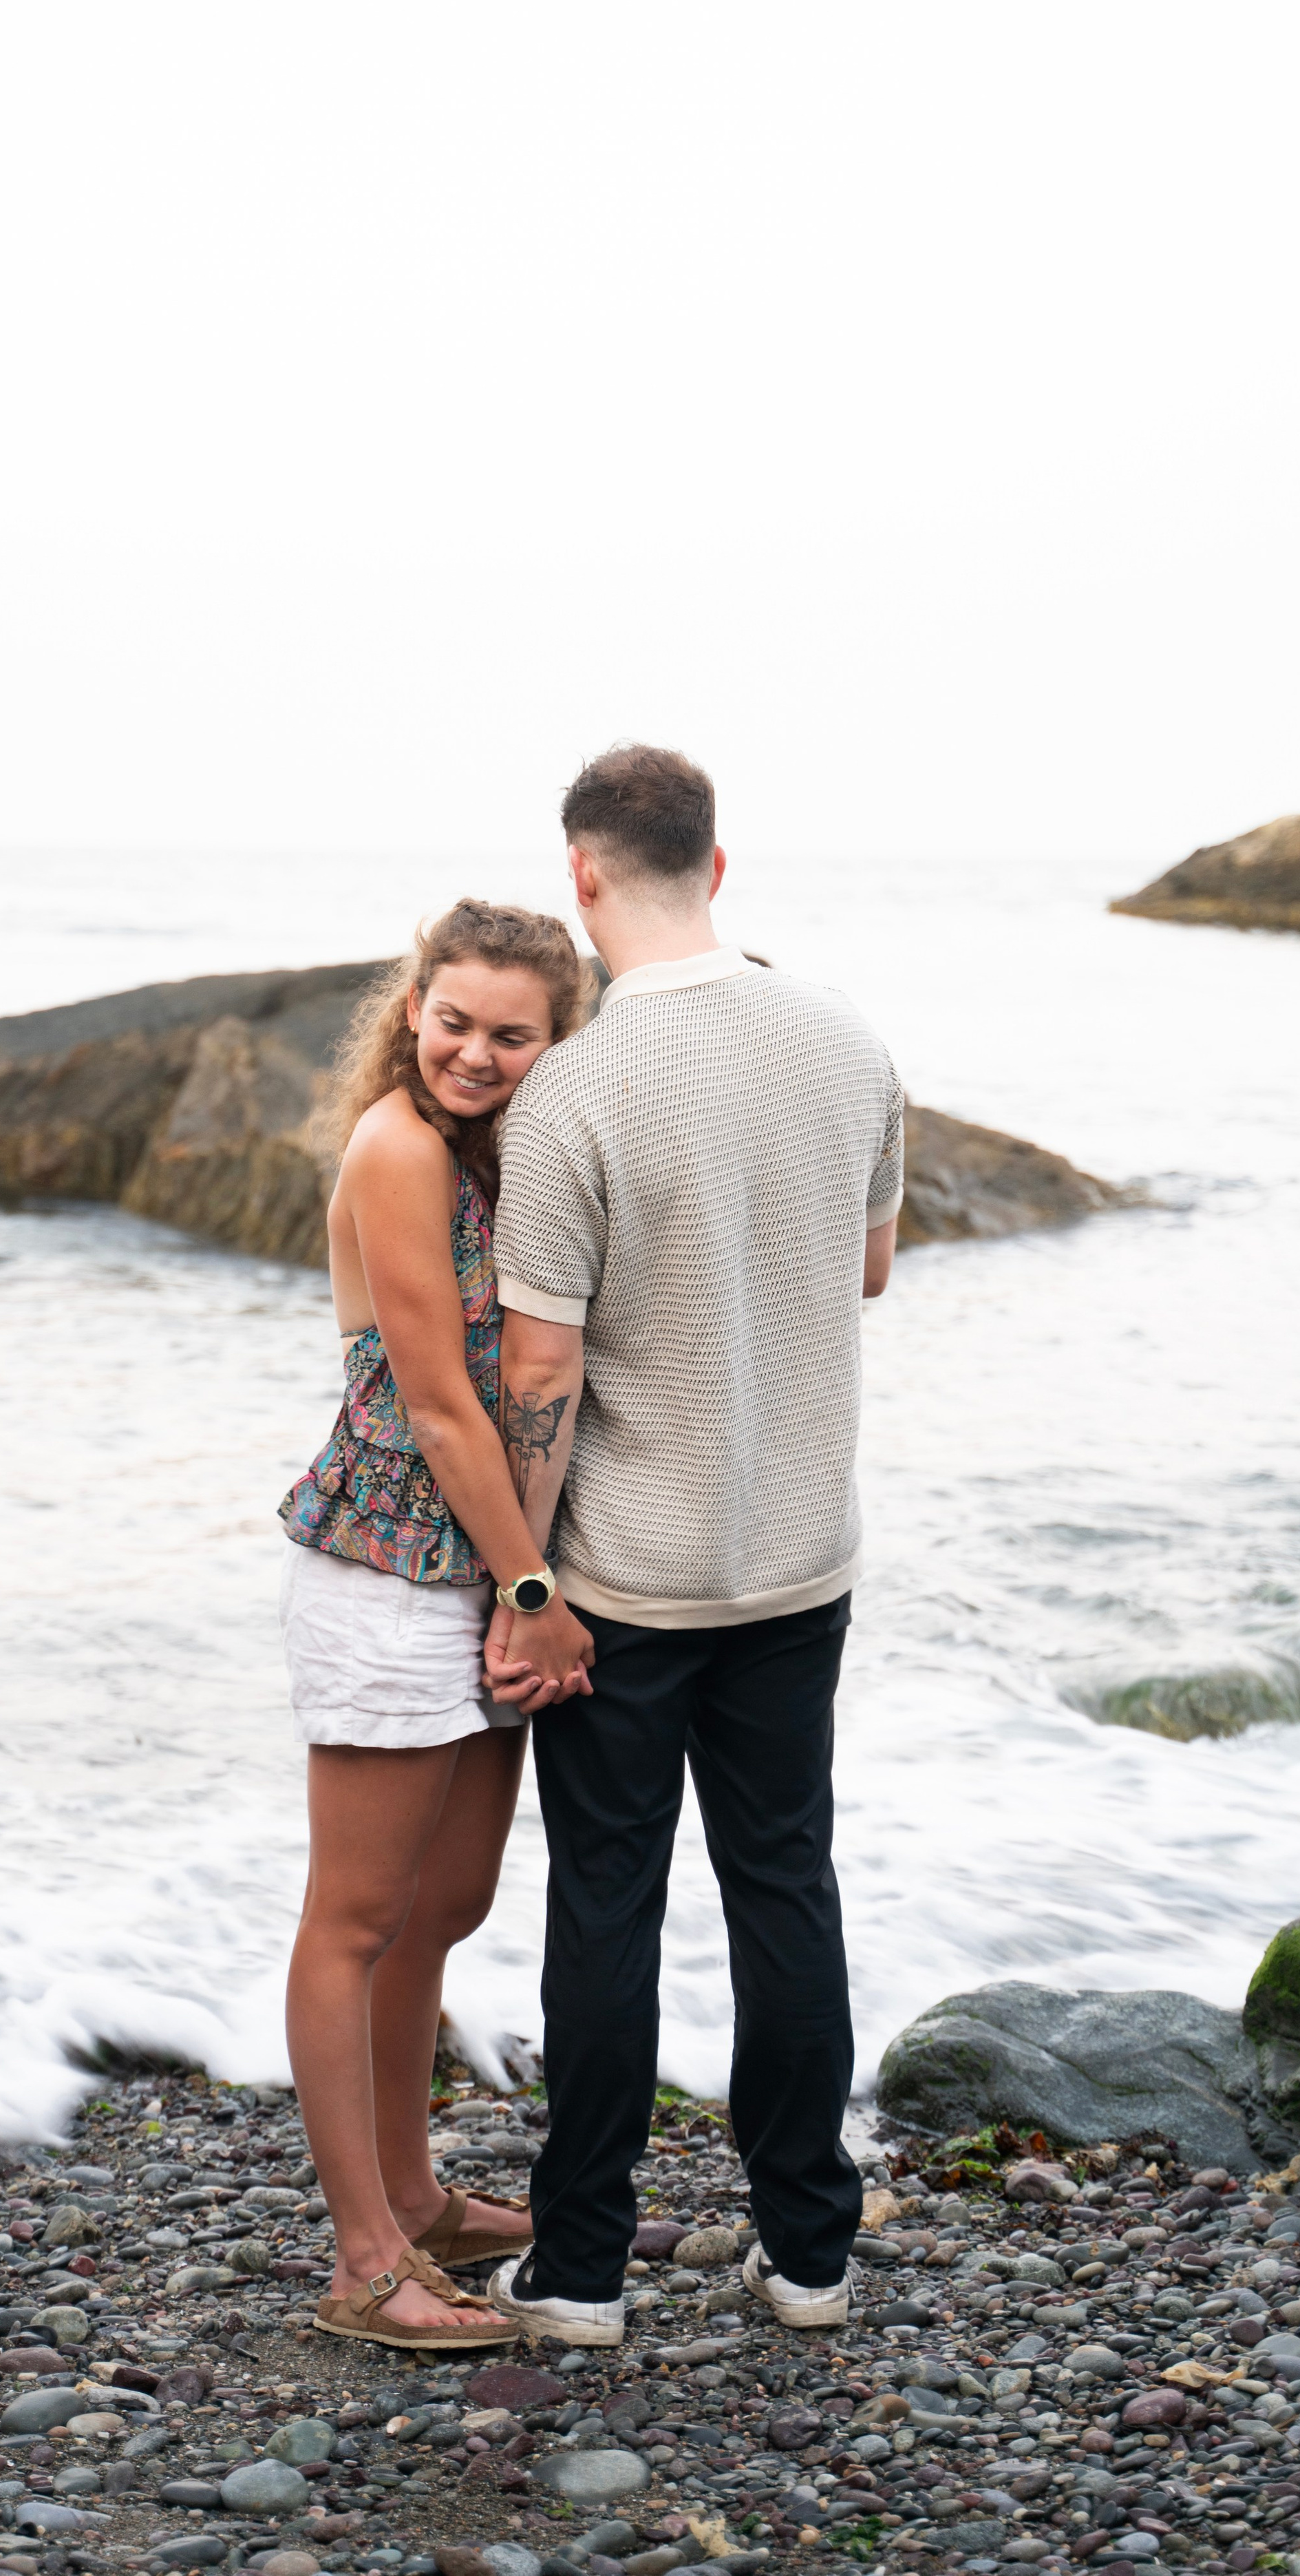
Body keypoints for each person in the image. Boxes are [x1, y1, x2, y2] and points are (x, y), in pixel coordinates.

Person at [482, 745, 904, 2347]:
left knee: (605, 1899)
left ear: (579, 877)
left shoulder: (573, 1088)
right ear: (714, 866)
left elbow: (536, 1369)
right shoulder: (845, 1036)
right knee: (782, 1879)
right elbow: (864, 1270)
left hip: (620, 1579)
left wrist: (525, 1585)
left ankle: (580, 2268)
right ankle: (808, 2249)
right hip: (798, 1555)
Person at [277, 897, 597, 2351]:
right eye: (451, 1018)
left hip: (480, 1572)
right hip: (394, 1571)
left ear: (555, 1040)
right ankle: (360, 2259)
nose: (472, 1051)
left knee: (443, 1906)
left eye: (509, 1032)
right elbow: (435, 1403)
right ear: (412, 1005)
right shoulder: (396, 1147)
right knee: (353, 1919)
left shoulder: (505, 1150)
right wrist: (534, 1590)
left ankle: (412, 2193)